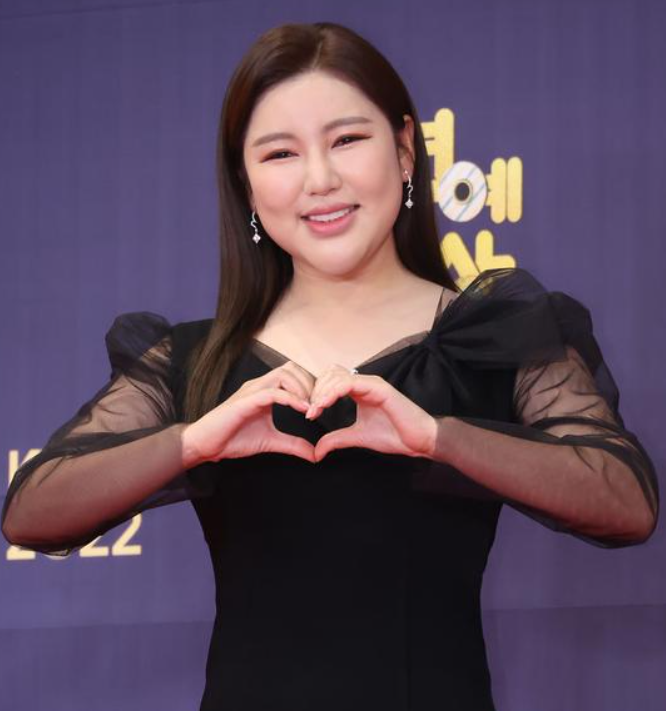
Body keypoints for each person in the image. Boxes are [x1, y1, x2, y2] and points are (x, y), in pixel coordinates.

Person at [2, 21, 659, 711]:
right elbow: (32, 513)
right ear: (246, 184)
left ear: (404, 150)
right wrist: (194, 441)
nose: (319, 179)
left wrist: (438, 437)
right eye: (280, 153)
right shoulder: (194, 360)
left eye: (347, 140)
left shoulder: (492, 337)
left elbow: (624, 502)